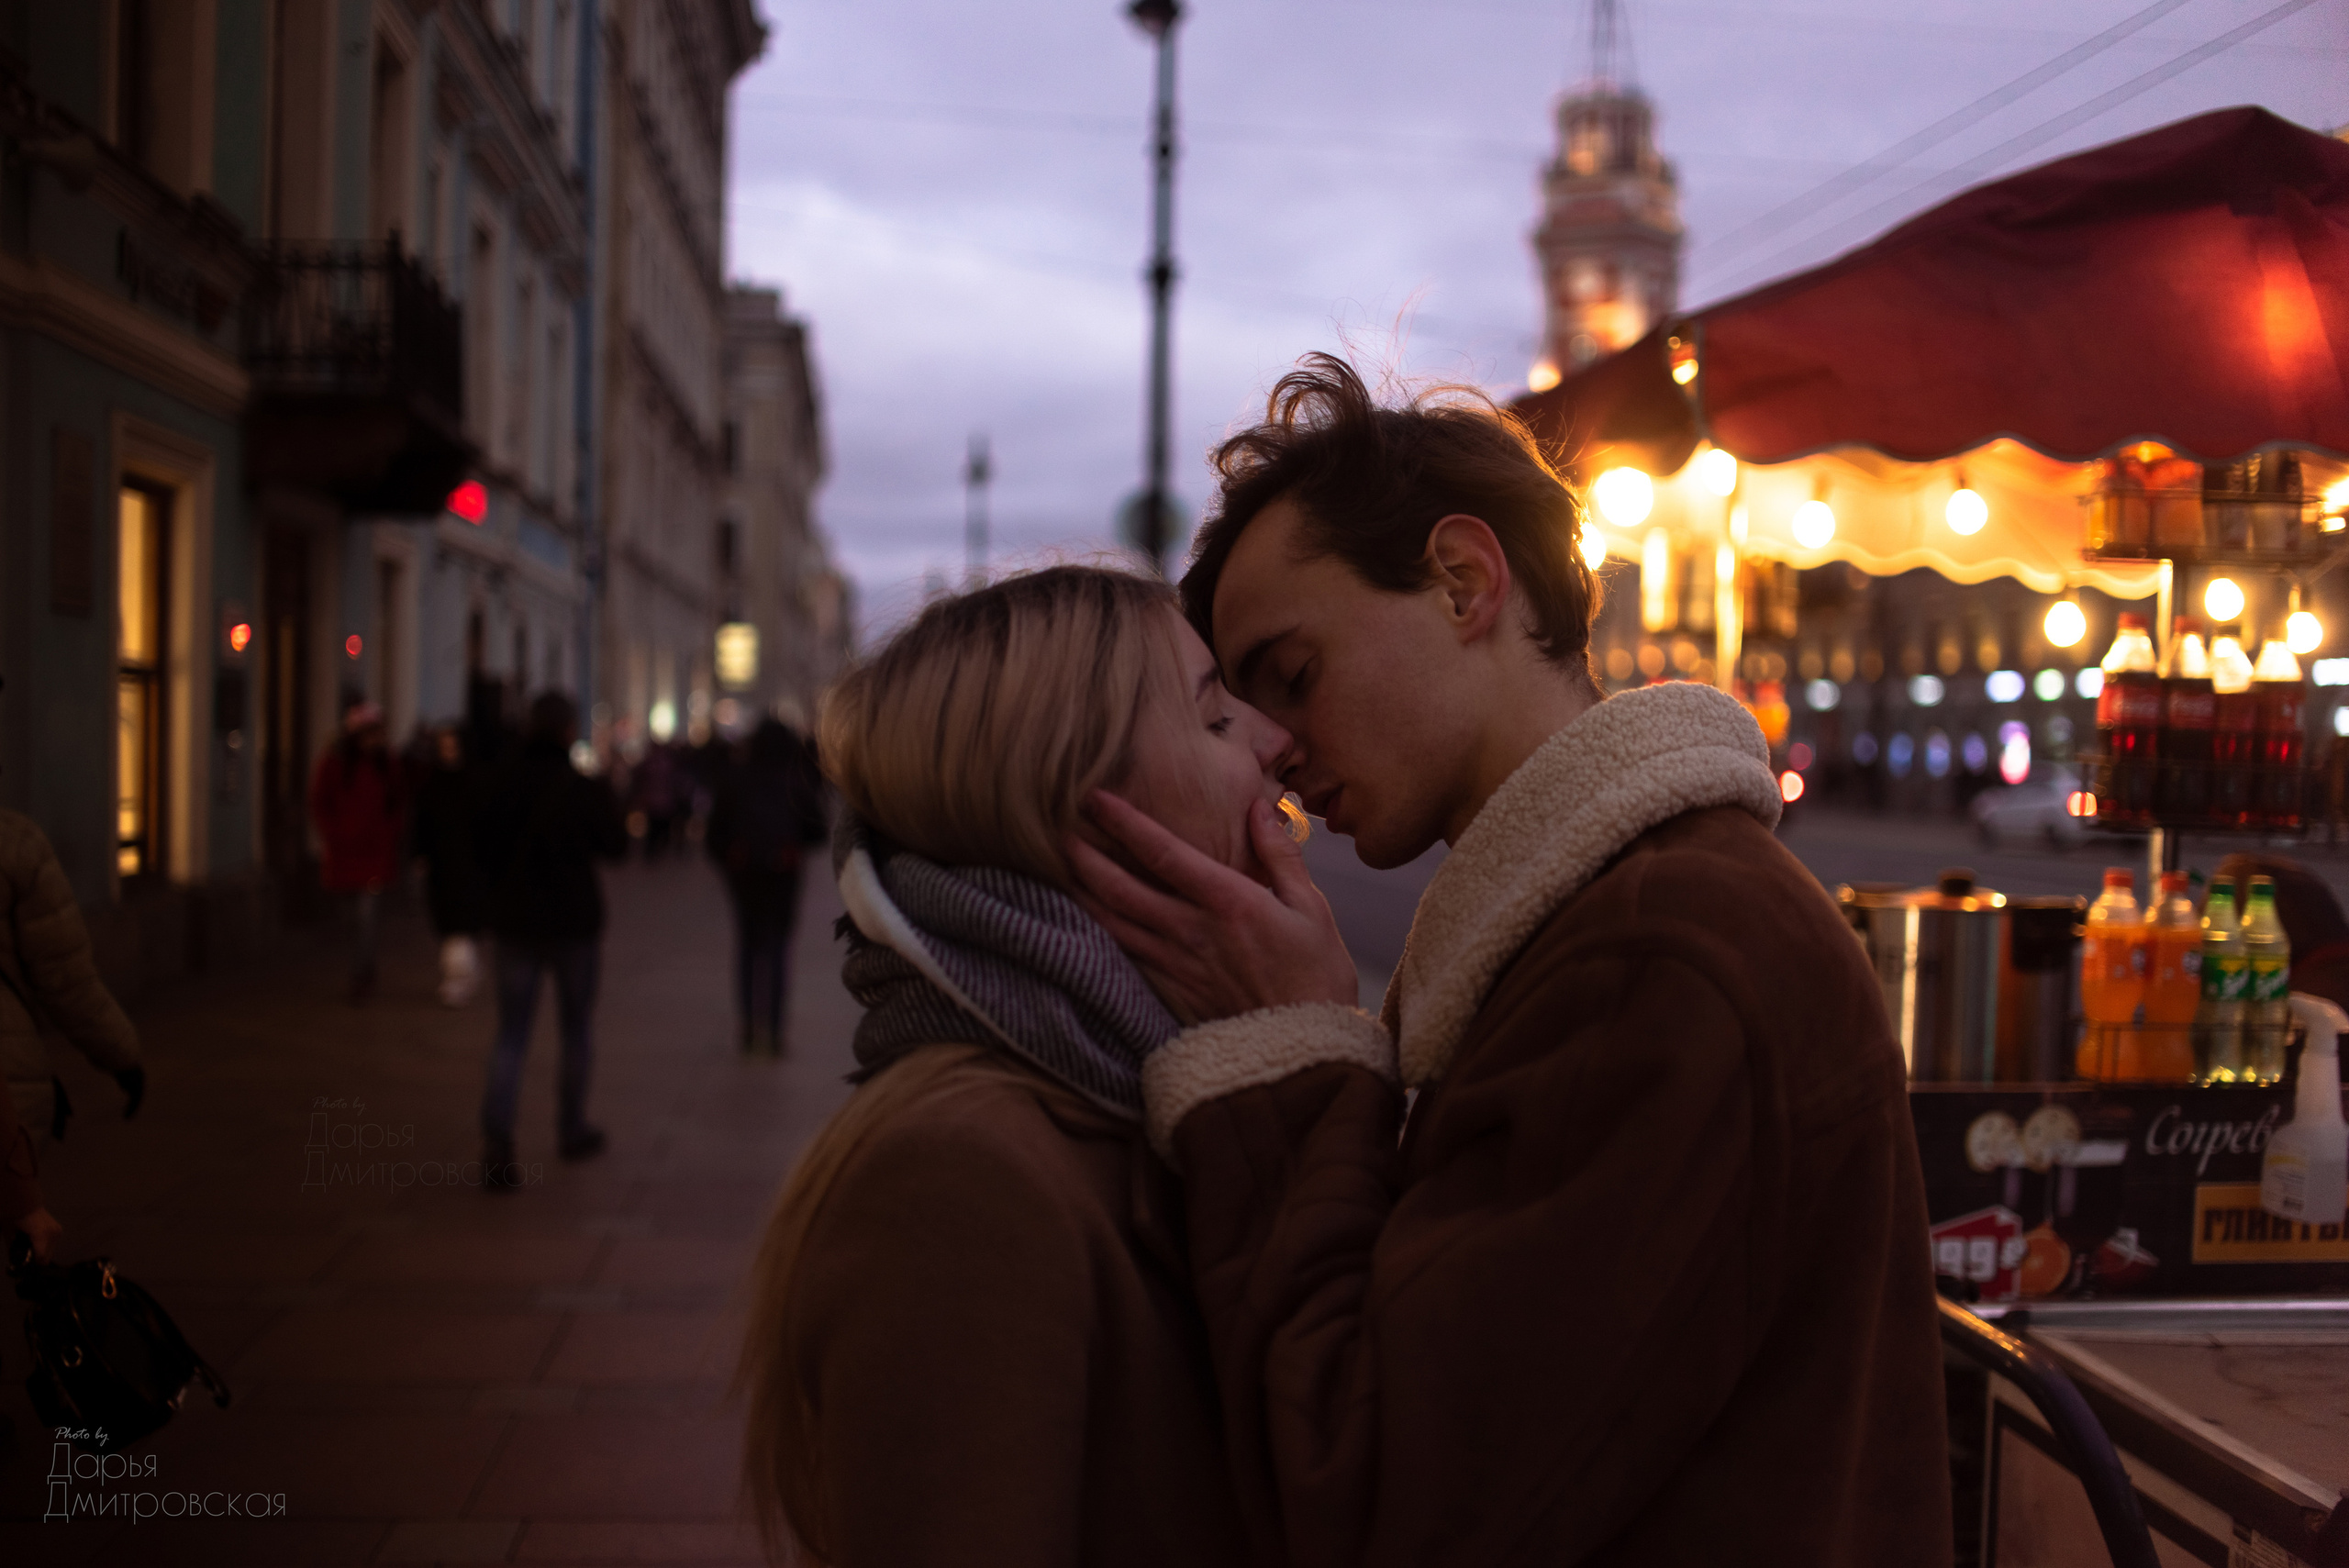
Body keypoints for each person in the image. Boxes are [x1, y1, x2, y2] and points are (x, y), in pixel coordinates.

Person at [1072, 356, 1954, 1568]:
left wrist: (1289, 1059)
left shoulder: (1660, 959)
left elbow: (1381, 1502)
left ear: (1462, 580)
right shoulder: (1615, 912)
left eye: (1294, 674)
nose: (1273, 750)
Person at [737, 566, 1278, 1566]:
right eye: (1213, 723)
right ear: (1085, 809)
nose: (1273, 746)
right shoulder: (955, 1183)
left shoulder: (1143, 1073)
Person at [473, 692, 627, 1187]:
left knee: (511, 1035)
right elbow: (616, 847)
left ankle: (498, 1139)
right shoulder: (581, 787)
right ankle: (571, 1129)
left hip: (515, 924)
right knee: (576, 1029)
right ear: (567, 731)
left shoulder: (499, 782)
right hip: (573, 927)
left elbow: (483, 848)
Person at [705, 717, 828, 1054]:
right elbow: (817, 833)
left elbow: (714, 836)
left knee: (747, 948)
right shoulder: (795, 782)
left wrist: (734, 858)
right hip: (782, 878)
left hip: (745, 879)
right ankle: (774, 1030)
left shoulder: (736, 780)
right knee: (777, 950)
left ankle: (747, 1026)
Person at [310, 699, 405, 1001]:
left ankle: (361, 976)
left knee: (366, 918)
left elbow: (398, 802)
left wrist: (389, 833)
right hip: (344, 853)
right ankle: (364, 966)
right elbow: (319, 801)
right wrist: (334, 833)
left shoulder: (386, 763)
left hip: (373, 854)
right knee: (351, 919)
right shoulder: (336, 762)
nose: (374, 739)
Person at [411, 725, 491, 1006]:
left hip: (471, 865)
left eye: (453, 747)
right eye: (443, 747)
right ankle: (461, 973)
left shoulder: (477, 782)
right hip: (441, 866)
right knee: (448, 923)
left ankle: (459, 976)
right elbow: (422, 822)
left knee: (462, 925)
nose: (448, 753)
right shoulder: (432, 784)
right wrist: (420, 853)